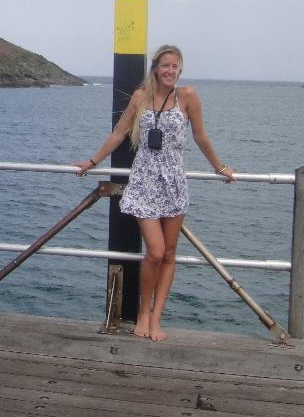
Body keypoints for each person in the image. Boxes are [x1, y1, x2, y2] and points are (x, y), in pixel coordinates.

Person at [75, 45, 234, 342]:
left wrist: (219, 166)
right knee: (156, 252)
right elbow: (120, 132)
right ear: (155, 68)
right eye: (165, 66)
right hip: (145, 180)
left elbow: (200, 135)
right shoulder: (140, 97)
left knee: (170, 254)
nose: (170, 71)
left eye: (175, 66)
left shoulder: (187, 97)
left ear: (180, 69)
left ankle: (157, 317)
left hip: (173, 182)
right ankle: (143, 311)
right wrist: (92, 161)